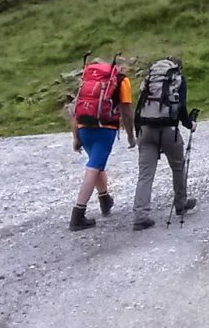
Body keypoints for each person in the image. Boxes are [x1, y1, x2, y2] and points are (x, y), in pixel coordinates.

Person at [131, 58, 199, 231]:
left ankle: (140, 216)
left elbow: (139, 107)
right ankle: (181, 204)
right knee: (178, 166)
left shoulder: (149, 80)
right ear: (178, 67)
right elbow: (181, 107)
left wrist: (137, 132)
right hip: (169, 130)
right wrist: (189, 124)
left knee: (145, 174)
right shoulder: (178, 79)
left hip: (146, 129)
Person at [69, 57, 134, 230]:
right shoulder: (121, 80)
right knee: (93, 167)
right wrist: (131, 135)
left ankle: (105, 199)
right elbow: (126, 111)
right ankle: (78, 214)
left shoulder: (87, 80)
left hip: (83, 127)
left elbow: (75, 110)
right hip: (105, 129)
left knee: (96, 164)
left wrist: (76, 137)